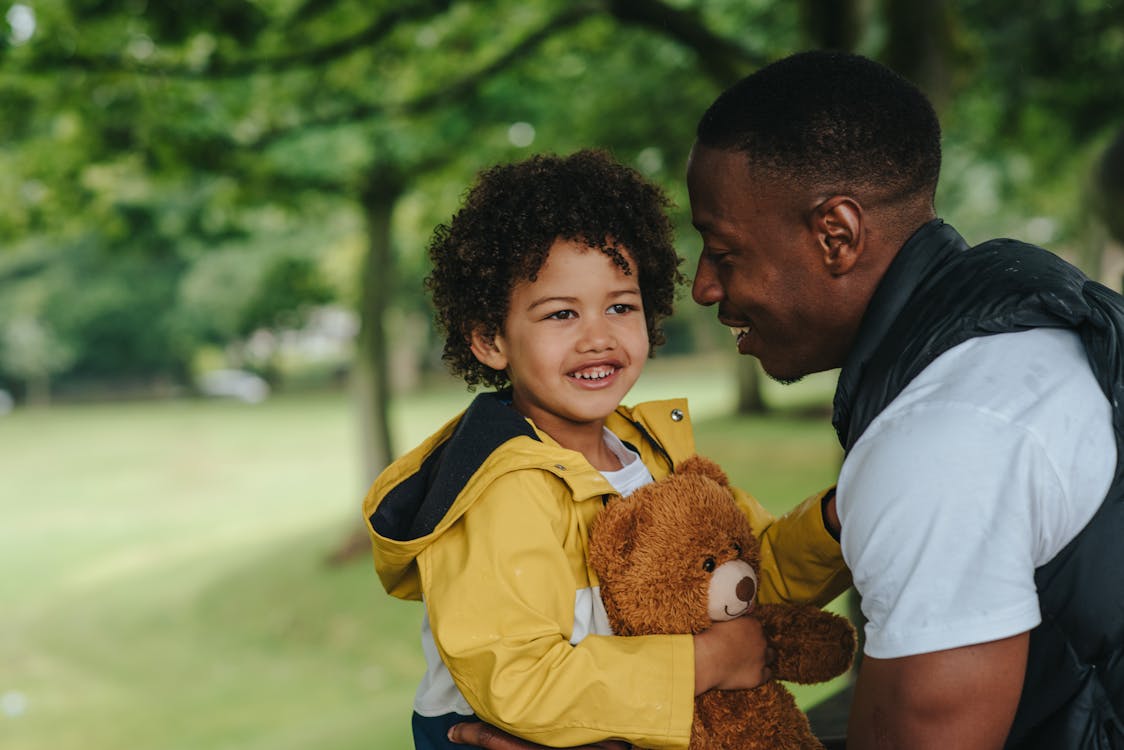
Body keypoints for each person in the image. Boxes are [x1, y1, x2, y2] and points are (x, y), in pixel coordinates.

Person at [685, 51, 1124, 749]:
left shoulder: (940, 442)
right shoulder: (1029, 317)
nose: (705, 287)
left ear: (837, 236)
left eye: (724, 250)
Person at [363, 149, 852, 750]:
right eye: (561, 313)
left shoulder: (652, 453)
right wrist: (705, 662)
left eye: (620, 306)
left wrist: (835, 521)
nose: (598, 337)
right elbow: (518, 681)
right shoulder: (499, 490)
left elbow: (746, 577)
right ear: (491, 340)